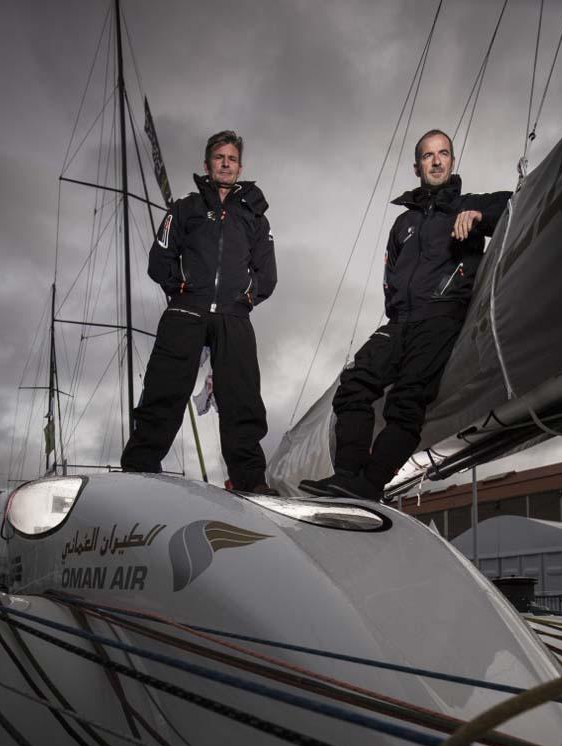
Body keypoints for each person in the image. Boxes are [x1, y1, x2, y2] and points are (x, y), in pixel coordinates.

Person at [300, 129, 511, 501]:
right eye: (428, 155)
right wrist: (396, 306)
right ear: (417, 166)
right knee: (353, 383)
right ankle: (346, 477)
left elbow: (514, 202)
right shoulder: (404, 224)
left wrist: (480, 216)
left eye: (443, 153)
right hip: (399, 322)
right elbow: (391, 274)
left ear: (452, 161)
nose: (436, 160)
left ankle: (370, 485)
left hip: (440, 316)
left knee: (408, 400)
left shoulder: (468, 204)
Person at [121, 130, 277, 493]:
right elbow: (160, 259)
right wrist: (181, 290)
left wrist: (245, 298)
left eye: (232, 158)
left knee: (243, 401)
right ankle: (139, 467)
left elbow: (267, 273)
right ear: (206, 165)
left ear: (240, 166)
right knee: (163, 390)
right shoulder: (183, 209)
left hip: (233, 317)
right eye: (219, 157)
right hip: (185, 313)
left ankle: (250, 482)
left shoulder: (255, 216)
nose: (225, 163)